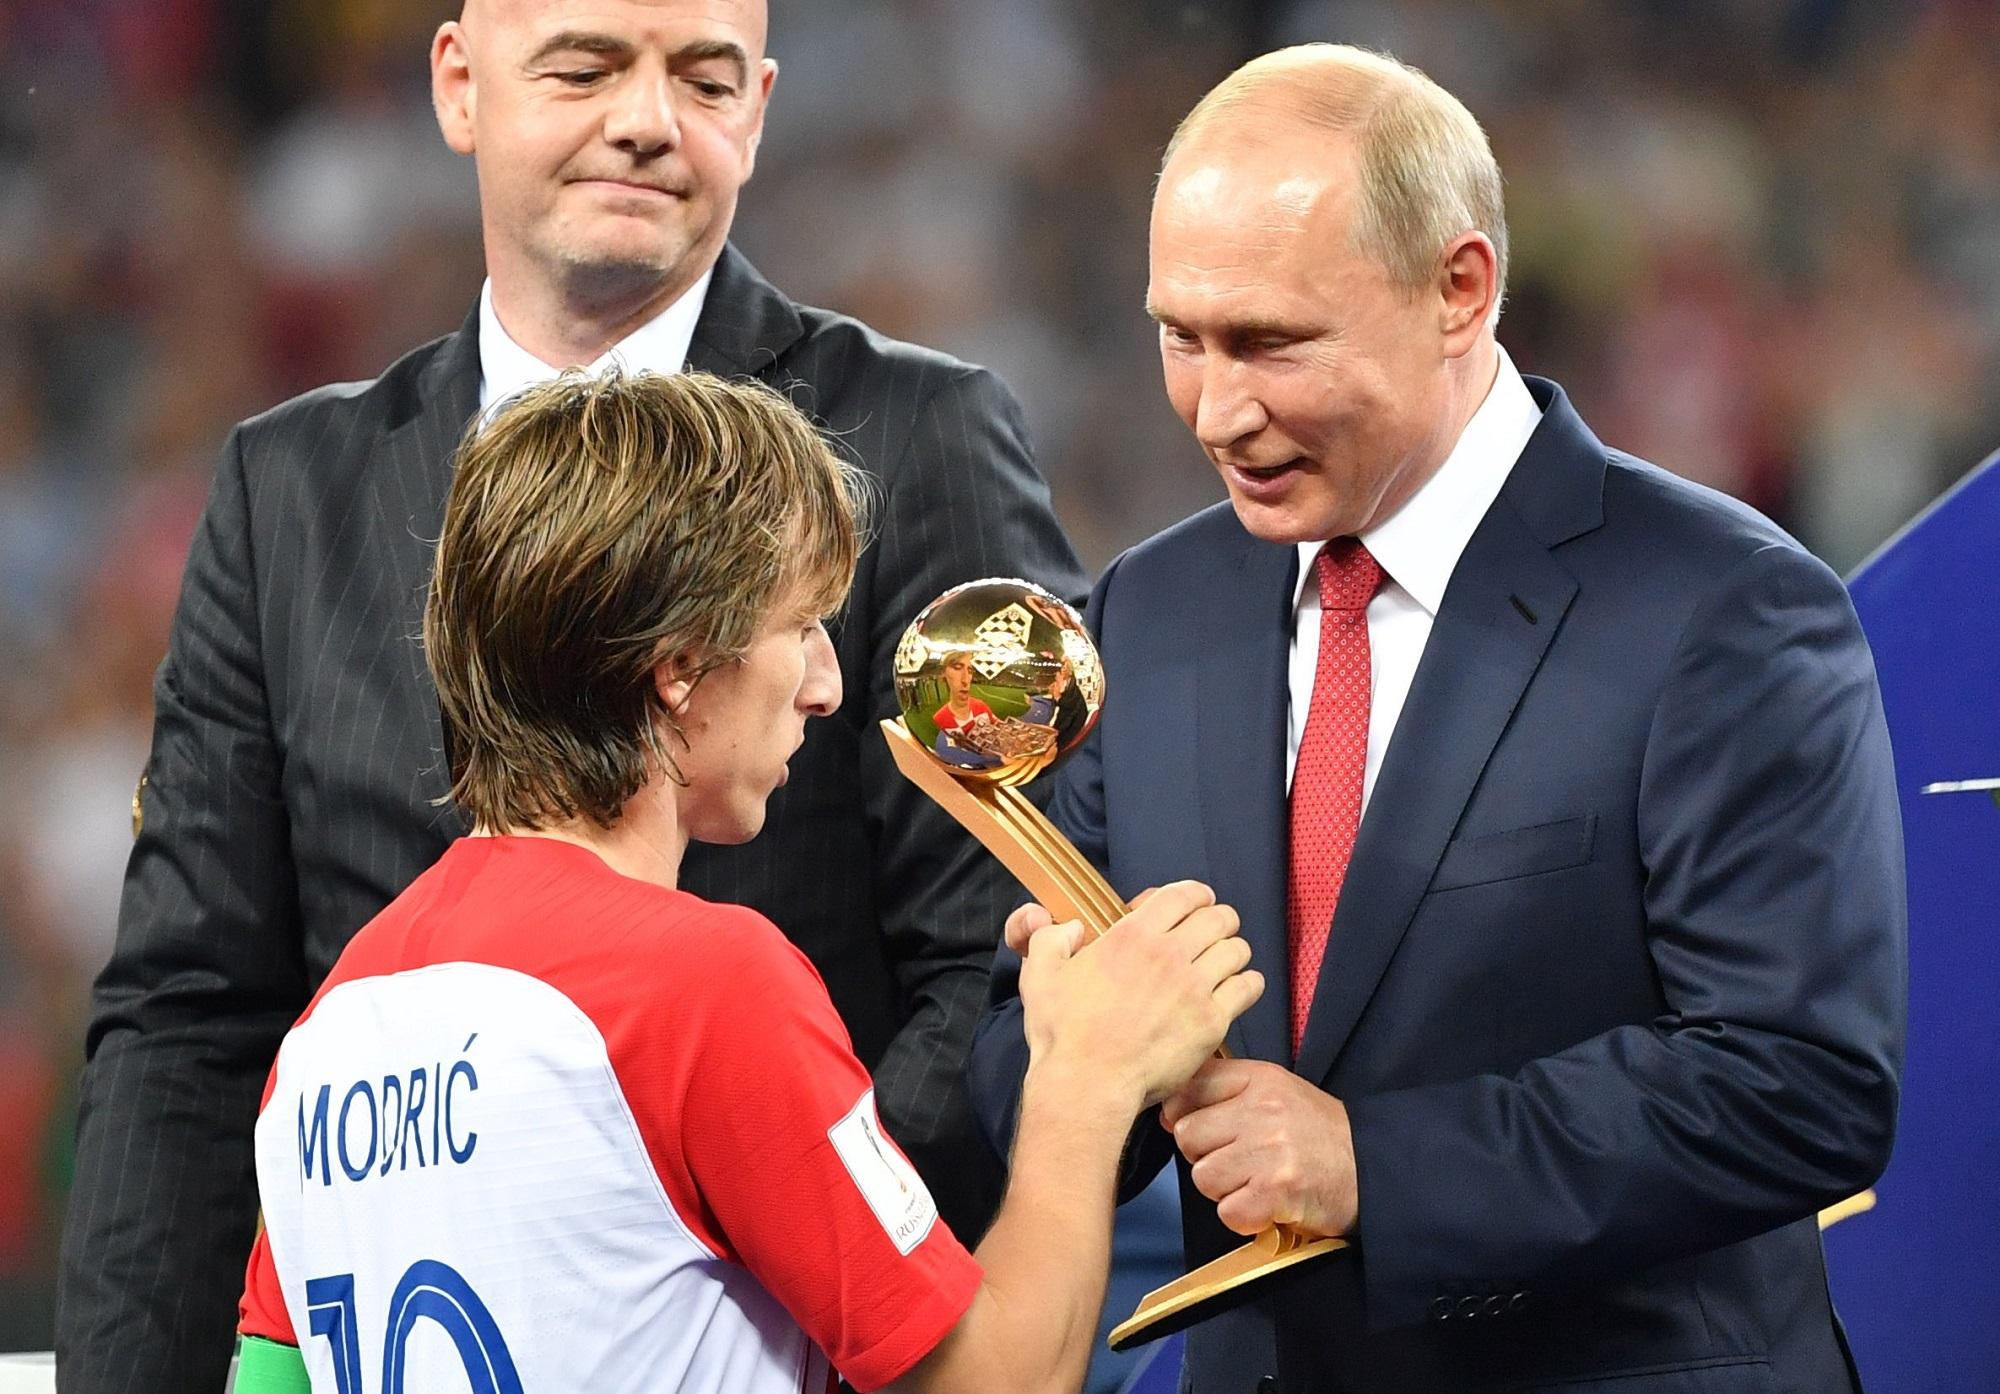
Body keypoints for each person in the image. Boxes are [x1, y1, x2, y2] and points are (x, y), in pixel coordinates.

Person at [58, 2, 1083, 1390]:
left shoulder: (920, 436)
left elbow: (1009, 947)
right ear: (460, 84)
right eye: (588, 66)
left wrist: (742, 1247)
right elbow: (190, 1017)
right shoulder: (285, 491)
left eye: (704, 77)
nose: (650, 118)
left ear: (762, 106)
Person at [970, 44, 1905, 1394]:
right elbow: (1031, 1059)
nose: (1218, 409)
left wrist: (1373, 1165)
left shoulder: (1725, 608)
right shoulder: (1150, 611)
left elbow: (1803, 1078)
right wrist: (1073, 1057)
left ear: (1459, 289)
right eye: (1182, 335)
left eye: (1273, 341)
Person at [230, 369, 1261, 1394]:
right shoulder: (701, 984)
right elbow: (990, 1381)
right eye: (801, 625)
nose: (827, 684)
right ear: (678, 666)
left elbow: (268, 1380)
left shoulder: (331, 1022)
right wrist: (1083, 1080)